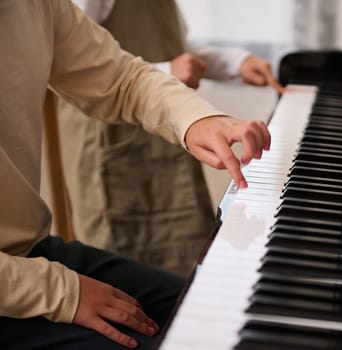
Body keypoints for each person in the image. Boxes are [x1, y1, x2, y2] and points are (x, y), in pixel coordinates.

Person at [0, 1, 270, 349]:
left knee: (230, 313)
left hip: (29, 253)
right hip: (17, 286)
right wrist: (63, 293)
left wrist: (195, 120)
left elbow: (121, 77)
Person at [58, 0, 284, 276]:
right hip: (114, 148)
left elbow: (177, 48)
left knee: (186, 255)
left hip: (168, 134)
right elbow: (78, 66)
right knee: (128, 266)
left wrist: (235, 62)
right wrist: (167, 70)